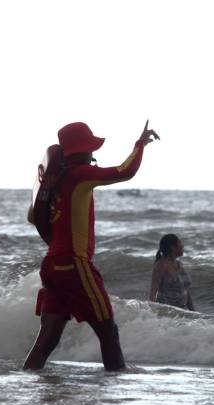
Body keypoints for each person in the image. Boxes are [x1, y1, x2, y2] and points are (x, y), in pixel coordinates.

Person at [23, 121, 160, 371]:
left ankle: (27, 379)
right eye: (90, 148)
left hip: (52, 266)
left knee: (48, 337)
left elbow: (33, 216)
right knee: (108, 330)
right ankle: (115, 385)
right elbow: (124, 171)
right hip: (74, 265)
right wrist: (140, 145)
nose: (93, 154)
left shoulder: (55, 181)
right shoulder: (80, 175)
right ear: (82, 150)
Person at [149, 234, 194, 310]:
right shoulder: (161, 265)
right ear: (172, 247)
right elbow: (153, 291)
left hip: (183, 311)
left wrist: (192, 310)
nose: (182, 246)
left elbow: (185, 290)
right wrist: (151, 312)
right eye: (180, 243)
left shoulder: (179, 264)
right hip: (167, 313)